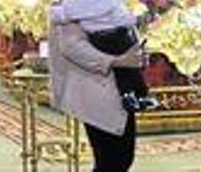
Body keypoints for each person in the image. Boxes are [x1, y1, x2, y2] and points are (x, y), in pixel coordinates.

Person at [51, 0, 154, 111]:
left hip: (96, 40)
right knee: (130, 67)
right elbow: (121, 18)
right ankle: (140, 95)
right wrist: (139, 19)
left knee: (120, 72)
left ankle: (127, 96)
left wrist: (53, 10)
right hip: (118, 36)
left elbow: (62, 15)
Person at [49, 19, 143, 171]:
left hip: (119, 87)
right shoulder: (72, 2)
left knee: (121, 158)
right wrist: (117, 61)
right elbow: (72, 46)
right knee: (112, 160)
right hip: (95, 86)